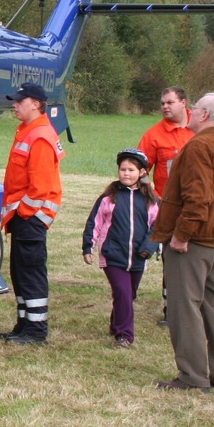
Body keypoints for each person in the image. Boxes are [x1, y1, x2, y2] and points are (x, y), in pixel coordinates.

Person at [151, 92, 214, 393]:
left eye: (194, 108)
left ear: (205, 115)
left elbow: (198, 198)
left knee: (185, 308)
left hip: (195, 242)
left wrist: (181, 235)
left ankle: (193, 377)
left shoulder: (197, 147)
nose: (190, 112)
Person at [0, 82, 64, 345]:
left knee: (31, 272)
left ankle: (36, 331)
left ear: (36, 104)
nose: (14, 105)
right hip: (24, 216)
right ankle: (25, 325)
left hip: (30, 216)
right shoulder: (30, 131)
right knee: (20, 271)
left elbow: (40, 186)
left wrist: (24, 213)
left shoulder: (39, 135)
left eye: (19, 101)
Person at [81, 149, 160, 348]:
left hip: (138, 257)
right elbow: (95, 222)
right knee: (123, 293)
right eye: (123, 169)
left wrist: (147, 248)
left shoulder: (150, 200)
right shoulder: (109, 198)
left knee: (128, 294)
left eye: (131, 170)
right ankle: (124, 335)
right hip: (113, 255)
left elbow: (157, 227)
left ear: (141, 172)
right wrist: (88, 247)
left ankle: (117, 322)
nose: (126, 173)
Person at [138, 85, 195, 327]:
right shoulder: (154, 135)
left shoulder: (199, 128)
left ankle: (196, 306)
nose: (165, 107)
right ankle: (171, 308)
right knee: (172, 259)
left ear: (184, 103)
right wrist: (151, 193)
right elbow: (139, 166)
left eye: (170, 102)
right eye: (162, 103)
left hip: (197, 205)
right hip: (168, 208)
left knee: (197, 258)